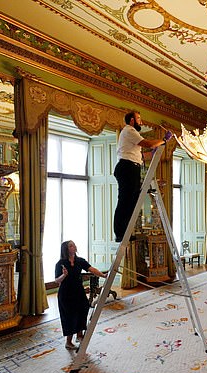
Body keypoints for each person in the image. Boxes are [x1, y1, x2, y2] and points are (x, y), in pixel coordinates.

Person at [113, 110, 172, 242]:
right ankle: (120, 233)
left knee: (131, 202)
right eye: (138, 118)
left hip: (132, 168)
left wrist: (154, 152)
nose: (141, 121)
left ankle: (126, 232)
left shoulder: (132, 135)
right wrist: (163, 140)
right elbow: (148, 144)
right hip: (127, 168)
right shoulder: (129, 130)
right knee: (124, 201)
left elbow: (142, 156)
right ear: (132, 120)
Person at [55, 240, 108, 350]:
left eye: (74, 244)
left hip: (78, 291)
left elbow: (91, 269)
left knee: (83, 309)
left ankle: (79, 335)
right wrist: (64, 275)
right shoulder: (60, 263)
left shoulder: (80, 261)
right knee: (69, 316)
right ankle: (68, 342)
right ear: (66, 249)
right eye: (71, 245)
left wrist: (103, 275)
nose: (74, 246)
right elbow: (57, 280)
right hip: (66, 293)